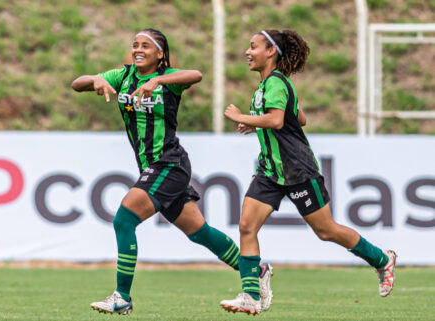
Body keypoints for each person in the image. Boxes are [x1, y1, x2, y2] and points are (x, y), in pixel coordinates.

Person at [71, 28, 272, 315]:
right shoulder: (123, 76)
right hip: (153, 167)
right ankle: (256, 268)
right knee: (199, 233)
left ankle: (122, 297)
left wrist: (158, 80)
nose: (138, 49)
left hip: (169, 163)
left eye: (146, 46)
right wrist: (96, 79)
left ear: (160, 54)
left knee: (123, 220)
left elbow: (196, 75)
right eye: (134, 45)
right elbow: (76, 84)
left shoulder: (170, 81)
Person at [219, 29, 397, 315]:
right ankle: (251, 294)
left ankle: (381, 259)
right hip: (270, 170)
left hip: (298, 170)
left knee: (326, 231)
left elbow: (278, 120)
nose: (247, 52)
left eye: (253, 47)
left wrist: (244, 117)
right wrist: (256, 124)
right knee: (246, 226)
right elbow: (298, 117)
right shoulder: (268, 86)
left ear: (271, 52)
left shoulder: (276, 83)